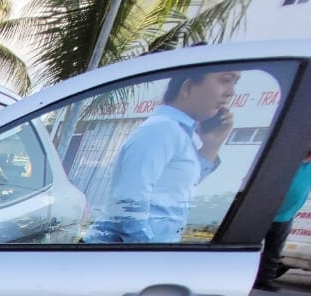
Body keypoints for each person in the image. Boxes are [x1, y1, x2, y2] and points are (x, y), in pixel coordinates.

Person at [85, 69, 239, 244]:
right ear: (188, 86)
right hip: (121, 259)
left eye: (235, 82)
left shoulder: (178, 134)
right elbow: (129, 207)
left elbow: (177, 191)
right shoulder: (161, 131)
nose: (231, 92)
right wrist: (152, 256)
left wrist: (211, 147)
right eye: (225, 80)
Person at [254, 142, 311, 292]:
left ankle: (264, 280)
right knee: (250, 247)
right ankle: (237, 276)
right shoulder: (290, 160)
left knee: (274, 251)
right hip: (264, 212)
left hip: (286, 215)